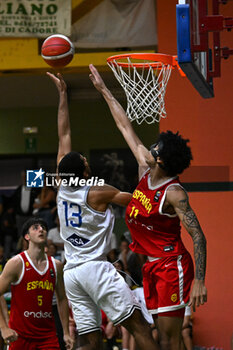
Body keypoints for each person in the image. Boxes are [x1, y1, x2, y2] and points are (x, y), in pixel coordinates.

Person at [89, 64, 207, 350]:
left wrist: (200, 281)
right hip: (150, 267)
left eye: (156, 148)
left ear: (162, 161)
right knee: (156, 338)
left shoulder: (174, 193)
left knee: (168, 340)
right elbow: (124, 126)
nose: (150, 148)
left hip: (171, 265)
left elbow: (199, 236)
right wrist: (105, 90)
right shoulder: (145, 168)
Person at [47, 71, 159, 350]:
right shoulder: (99, 191)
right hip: (95, 269)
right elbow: (139, 201)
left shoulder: (61, 186)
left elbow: (64, 134)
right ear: (85, 170)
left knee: (90, 339)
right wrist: (147, 172)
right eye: (85, 159)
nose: (86, 159)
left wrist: (63, 95)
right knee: (139, 327)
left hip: (72, 273)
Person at [0, 217, 74, 350]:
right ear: (27, 237)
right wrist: (4, 327)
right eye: (36, 228)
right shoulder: (16, 263)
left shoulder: (56, 266)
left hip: (48, 336)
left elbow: (62, 299)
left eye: (43, 228)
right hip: (20, 336)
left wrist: (66, 332)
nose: (41, 230)